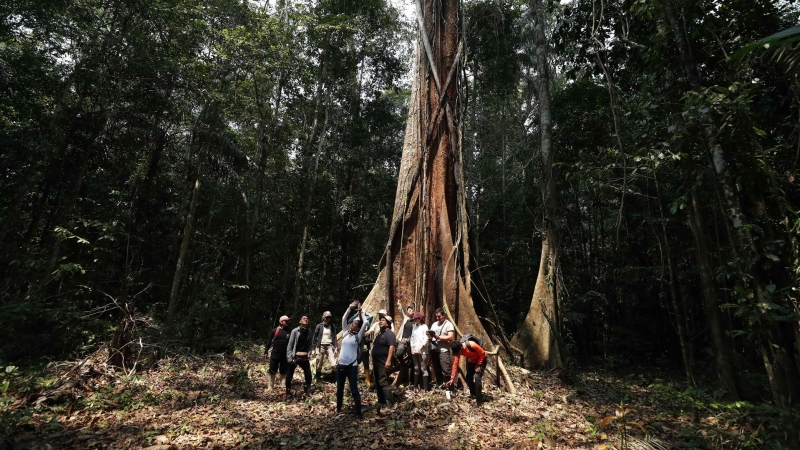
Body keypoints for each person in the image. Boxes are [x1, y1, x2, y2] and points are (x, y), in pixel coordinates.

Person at [337, 302, 367, 418]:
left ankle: (358, 413)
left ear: (358, 327)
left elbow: (365, 322)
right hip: (341, 365)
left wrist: (361, 311)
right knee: (340, 389)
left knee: (354, 389)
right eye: (352, 323)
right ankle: (338, 409)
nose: (351, 325)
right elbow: (344, 318)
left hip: (352, 366)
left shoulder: (358, 336)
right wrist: (349, 308)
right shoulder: (345, 333)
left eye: (354, 324)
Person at [445, 339, 487, 405]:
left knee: (477, 377)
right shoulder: (458, 351)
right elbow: (455, 364)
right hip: (473, 361)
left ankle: (478, 401)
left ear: (461, 348)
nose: (458, 354)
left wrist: (478, 364)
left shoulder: (471, 345)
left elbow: (483, 353)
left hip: (481, 360)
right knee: (468, 378)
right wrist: (452, 379)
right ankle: (474, 394)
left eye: (458, 353)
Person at [371, 315, 396, 410]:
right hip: (376, 362)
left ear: (388, 323)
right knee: (377, 381)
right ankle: (380, 401)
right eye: (380, 320)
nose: (380, 321)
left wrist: (388, 361)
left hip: (383, 362)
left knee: (383, 381)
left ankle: (390, 403)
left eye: (383, 320)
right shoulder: (379, 334)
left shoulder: (389, 334)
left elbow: (392, 347)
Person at [364, 308, 393, 389]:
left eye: (382, 316)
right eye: (380, 315)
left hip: (384, 355)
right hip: (376, 350)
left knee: (383, 377)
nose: (380, 317)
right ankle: (375, 387)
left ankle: (388, 399)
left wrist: (389, 360)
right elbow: (369, 331)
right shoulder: (377, 324)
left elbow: (391, 344)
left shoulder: (389, 330)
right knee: (376, 373)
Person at [286, 315, 313, 396]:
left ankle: (307, 390)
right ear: (300, 321)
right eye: (304, 318)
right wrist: (290, 357)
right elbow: (290, 345)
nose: (306, 320)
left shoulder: (309, 331)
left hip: (304, 356)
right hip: (294, 355)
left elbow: (310, 344)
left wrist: (308, 354)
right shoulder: (295, 331)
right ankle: (288, 391)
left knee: (308, 374)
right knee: (290, 374)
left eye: (307, 319)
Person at [428, 308, 455, 387]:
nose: (437, 318)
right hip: (434, 349)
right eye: (436, 316)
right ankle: (440, 385)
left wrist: (439, 337)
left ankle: (449, 387)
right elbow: (432, 336)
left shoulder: (448, 324)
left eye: (439, 316)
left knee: (446, 370)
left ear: (444, 315)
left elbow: (451, 337)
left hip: (443, 350)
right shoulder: (434, 324)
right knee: (436, 368)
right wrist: (429, 335)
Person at [265, 315, 291, 392]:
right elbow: (269, 342)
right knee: (272, 370)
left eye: (288, 321)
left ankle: (283, 387)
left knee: (284, 371)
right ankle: (270, 387)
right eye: (286, 321)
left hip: (285, 355)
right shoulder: (275, 331)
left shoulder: (289, 331)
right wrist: (266, 351)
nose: (287, 322)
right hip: (275, 354)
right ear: (281, 322)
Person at [311, 311, 338, 382]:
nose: (328, 319)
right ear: (323, 317)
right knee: (319, 363)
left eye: (329, 317)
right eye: (327, 317)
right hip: (320, 346)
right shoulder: (319, 326)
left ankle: (334, 379)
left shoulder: (332, 326)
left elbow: (334, 337)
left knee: (333, 363)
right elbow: (315, 338)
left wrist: (336, 348)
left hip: (329, 346)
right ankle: (318, 378)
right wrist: (313, 349)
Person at [409, 312, 430, 391]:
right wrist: (412, 349)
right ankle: (415, 386)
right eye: (414, 319)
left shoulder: (425, 327)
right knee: (416, 368)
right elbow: (412, 338)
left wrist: (420, 348)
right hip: (415, 351)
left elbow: (426, 339)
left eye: (416, 319)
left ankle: (425, 388)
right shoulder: (414, 327)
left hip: (422, 351)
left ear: (420, 319)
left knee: (423, 369)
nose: (414, 320)